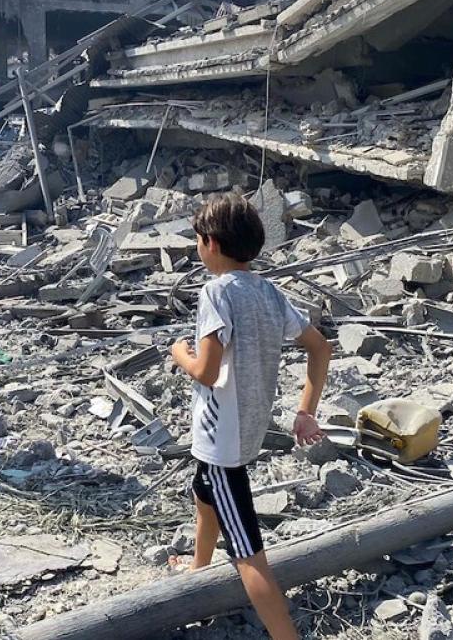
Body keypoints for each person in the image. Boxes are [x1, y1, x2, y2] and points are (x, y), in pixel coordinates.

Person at [170, 193, 331, 640]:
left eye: (198, 241)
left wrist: (179, 353)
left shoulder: (215, 291)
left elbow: (204, 370)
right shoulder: (267, 291)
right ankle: (199, 566)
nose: (198, 249)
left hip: (225, 438)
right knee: (204, 493)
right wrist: (305, 411)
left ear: (213, 244)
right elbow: (320, 348)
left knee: (248, 555)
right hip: (242, 431)